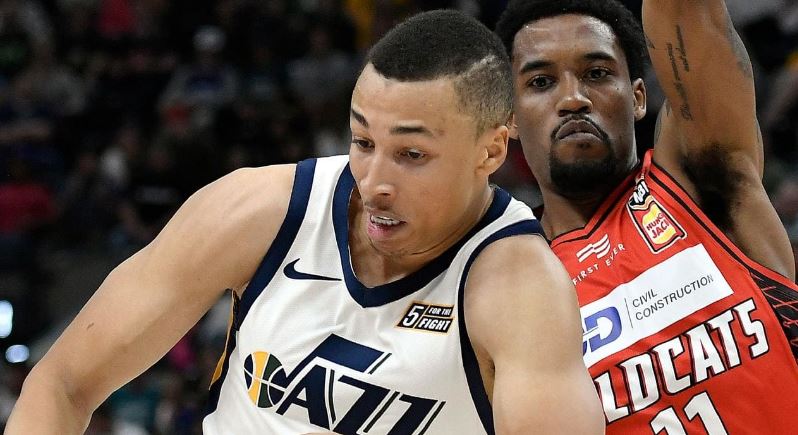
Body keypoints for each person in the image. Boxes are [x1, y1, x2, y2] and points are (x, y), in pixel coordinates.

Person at [7, 10, 604, 435]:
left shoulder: (520, 290)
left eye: (411, 153)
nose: (375, 181)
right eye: (363, 142)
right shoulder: (260, 210)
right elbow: (62, 384)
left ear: (491, 151)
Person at [496, 0, 798, 433]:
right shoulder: (505, 290)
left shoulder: (701, 182)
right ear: (508, 118)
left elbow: (685, 12)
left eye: (597, 73)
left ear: (638, 97)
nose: (573, 98)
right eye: (541, 82)